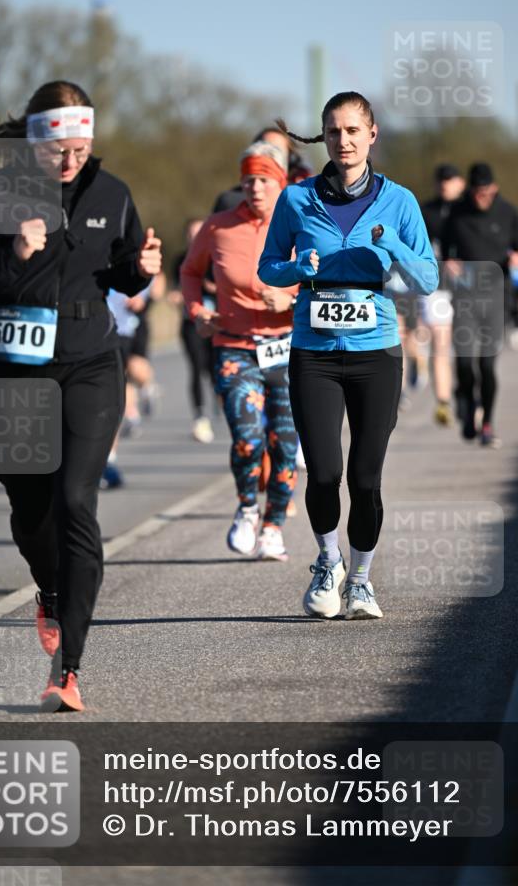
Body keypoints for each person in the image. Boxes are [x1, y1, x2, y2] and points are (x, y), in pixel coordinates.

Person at [0, 80, 162, 711]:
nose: (71, 158)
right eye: (59, 146)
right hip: (15, 373)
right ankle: (50, 592)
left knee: (75, 500)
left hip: (91, 363)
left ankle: (70, 670)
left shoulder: (111, 194)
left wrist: (140, 268)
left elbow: (119, 268)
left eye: (81, 144)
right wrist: (10, 256)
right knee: (32, 509)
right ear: (35, 141)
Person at [258, 91, 438, 620]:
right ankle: (327, 561)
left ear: (372, 134)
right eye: (334, 131)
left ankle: (360, 579)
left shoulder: (399, 201)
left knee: (365, 477)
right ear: (324, 137)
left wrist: (391, 246)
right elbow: (268, 267)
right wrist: (297, 269)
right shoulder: (295, 200)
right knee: (322, 471)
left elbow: (426, 279)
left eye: (353, 131)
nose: (343, 141)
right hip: (312, 353)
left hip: (376, 354)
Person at [181, 142, 298, 561]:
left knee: (285, 445)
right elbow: (190, 272)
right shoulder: (219, 226)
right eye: (249, 178)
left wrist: (292, 302)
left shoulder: (301, 224)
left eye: (264, 179)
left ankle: (274, 525)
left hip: (289, 349)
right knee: (248, 439)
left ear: (280, 181)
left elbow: (326, 281)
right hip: (234, 346)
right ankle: (248, 507)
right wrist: (197, 311)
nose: (255, 187)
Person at [441, 162, 518, 448]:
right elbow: (445, 250)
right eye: (477, 192)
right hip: (465, 298)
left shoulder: (508, 212)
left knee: (487, 366)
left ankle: (487, 422)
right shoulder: (456, 212)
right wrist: (449, 264)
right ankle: (466, 401)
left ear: (495, 189)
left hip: (496, 297)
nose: (482, 198)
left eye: (487, 192)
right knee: (464, 363)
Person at [420, 164, 466, 426]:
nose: (445, 184)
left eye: (450, 179)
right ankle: (444, 402)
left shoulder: (471, 210)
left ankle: (467, 393)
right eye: (441, 180)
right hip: (438, 289)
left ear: (460, 182)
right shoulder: (426, 211)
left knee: (469, 348)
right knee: (441, 343)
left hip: (471, 289)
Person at [169, 218, 218, 443]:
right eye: (191, 234)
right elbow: (175, 289)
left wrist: (215, 288)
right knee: (196, 367)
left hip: (217, 322)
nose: (195, 238)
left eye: (199, 233)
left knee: (213, 367)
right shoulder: (181, 260)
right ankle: (200, 416)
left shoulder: (217, 256)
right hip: (191, 323)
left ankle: (222, 399)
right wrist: (178, 296)